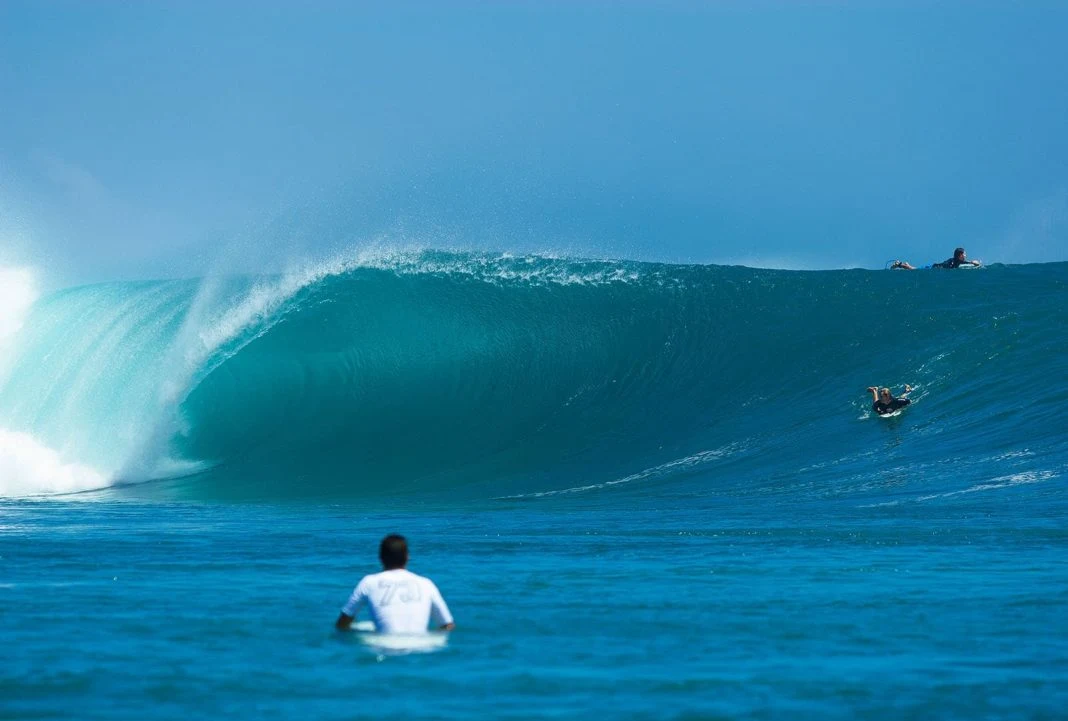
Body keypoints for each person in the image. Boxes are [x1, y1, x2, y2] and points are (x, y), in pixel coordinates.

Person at [335, 534, 455, 633]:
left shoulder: (368, 582)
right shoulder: (426, 583)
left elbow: (342, 623)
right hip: (423, 645)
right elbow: (448, 625)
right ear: (407, 557)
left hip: (384, 646)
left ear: (380, 557)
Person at [890, 247, 980, 270]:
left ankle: (905, 265)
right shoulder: (956, 261)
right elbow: (972, 263)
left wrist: (973, 262)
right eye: (964, 254)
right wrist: (974, 263)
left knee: (914, 268)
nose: (965, 255)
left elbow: (970, 262)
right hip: (934, 267)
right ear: (960, 255)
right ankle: (900, 264)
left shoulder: (957, 261)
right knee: (915, 269)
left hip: (934, 266)